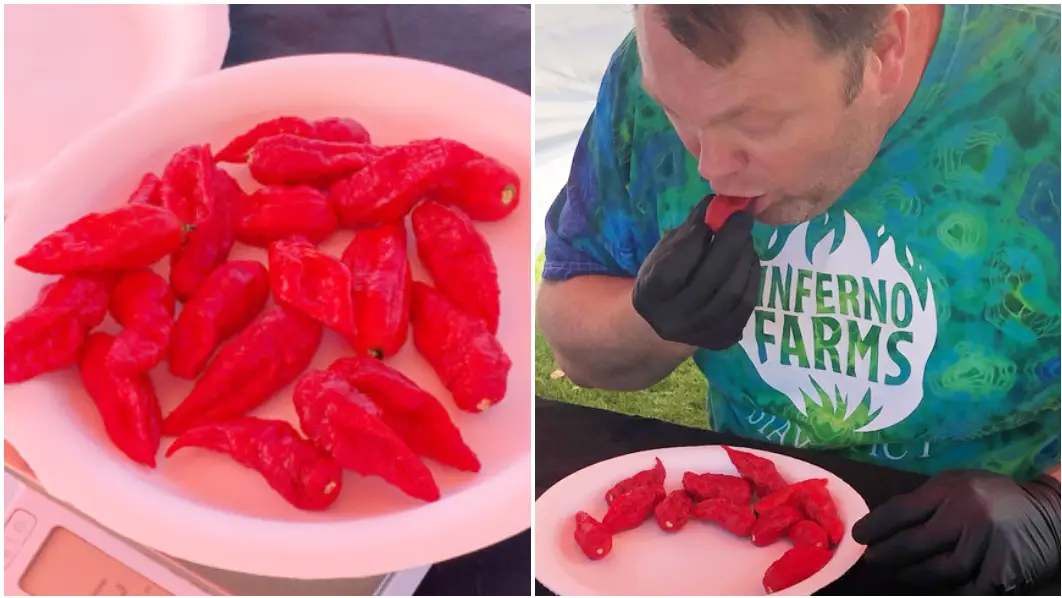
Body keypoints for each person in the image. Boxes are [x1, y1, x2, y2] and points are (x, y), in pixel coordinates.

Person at [537, 4, 1060, 593]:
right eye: (674, 113)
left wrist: (1052, 505)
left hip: (983, 555)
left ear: (885, 46)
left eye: (755, 123)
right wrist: (653, 321)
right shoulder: (656, 62)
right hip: (750, 534)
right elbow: (572, 340)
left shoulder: (1042, 78)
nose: (712, 167)